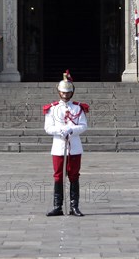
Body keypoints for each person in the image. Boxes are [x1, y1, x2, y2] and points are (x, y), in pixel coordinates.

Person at [43, 70, 89, 216]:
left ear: (72, 93)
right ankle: (58, 206)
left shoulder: (78, 108)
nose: (65, 95)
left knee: (74, 175)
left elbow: (83, 125)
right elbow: (48, 127)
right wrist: (60, 131)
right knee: (58, 176)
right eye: (63, 93)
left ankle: (74, 206)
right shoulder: (52, 108)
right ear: (59, 92)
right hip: (58, 146)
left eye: (68, 93)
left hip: (74, 147)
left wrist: (71, 130)